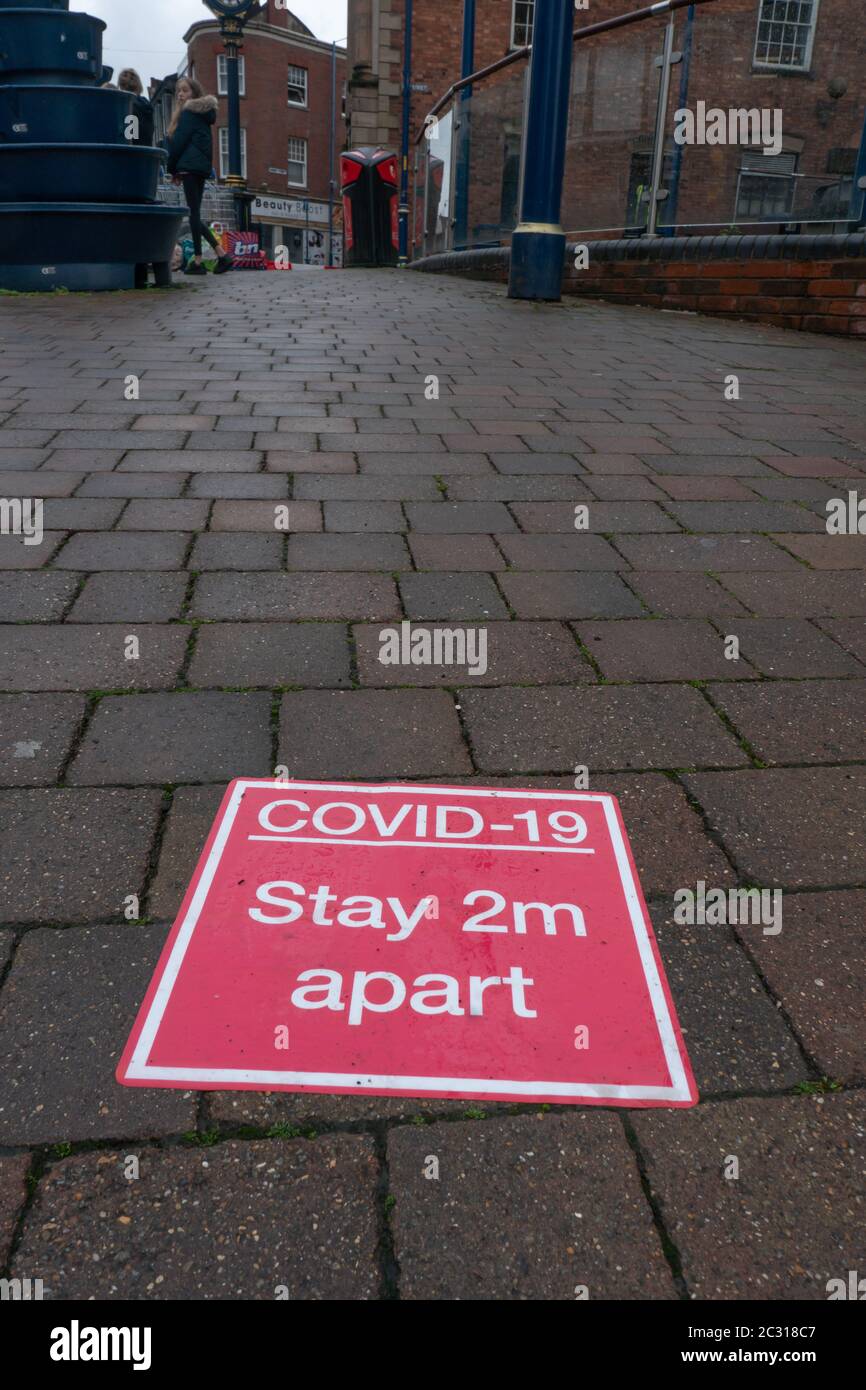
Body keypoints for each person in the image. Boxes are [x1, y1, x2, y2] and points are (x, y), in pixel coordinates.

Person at [166, 77, 232, 276]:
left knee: (193, 213)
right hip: (201, 168)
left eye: (184, 91)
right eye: (178, 91)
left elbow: (178, 144)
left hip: (189, 167)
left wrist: (172, 170)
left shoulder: (188, 112)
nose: (180, 94)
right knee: (194, 213)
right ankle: (204, 258)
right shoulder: (203, 114)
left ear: (194, 93)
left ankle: (211, 257)